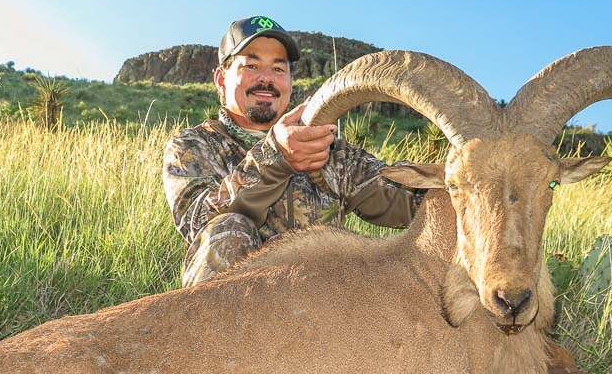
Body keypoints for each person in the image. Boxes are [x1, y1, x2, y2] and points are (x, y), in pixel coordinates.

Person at [163, 16, 424, 287]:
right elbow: (200, 222)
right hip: (239, 312)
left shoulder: (326, 149)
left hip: (320, 307)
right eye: (251, 65)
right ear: (221, 78)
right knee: (227, 228)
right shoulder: (193, 146)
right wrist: (276, 157)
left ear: (289, 81)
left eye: (278, 69)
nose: (266, 79)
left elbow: (401, 197)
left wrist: (456, 175)